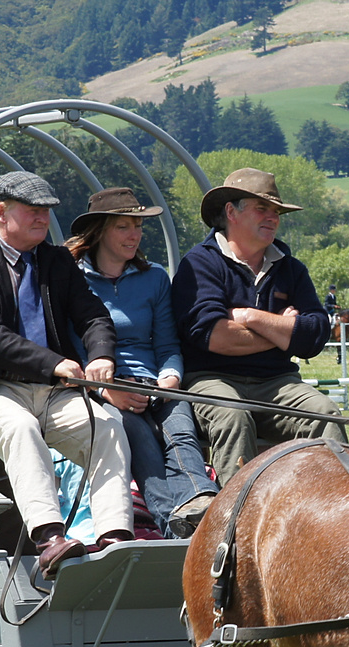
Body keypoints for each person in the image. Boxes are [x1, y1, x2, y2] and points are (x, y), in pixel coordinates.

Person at [0, 171, 132, 579]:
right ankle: (50, 540)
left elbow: (93, 315)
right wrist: (53, 363)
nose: (42, 219)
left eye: (46, 211)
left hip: (53, 390)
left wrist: (102, 357)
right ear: (0, 213)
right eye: (32, 211)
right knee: (21, 429)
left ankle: (115, 539)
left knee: (108, 426)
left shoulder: (57, 261)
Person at [171, 167, 342, 488]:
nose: (272, 217)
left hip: (279, 382)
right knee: (233, 416)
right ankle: (235, 521)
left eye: (276, 211)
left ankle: (330, 510)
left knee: (326, 413)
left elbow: (316, 335)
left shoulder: (291, 268)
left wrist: (250, 317)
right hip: (212, 379)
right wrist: (285, 332)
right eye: (262, 208)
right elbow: (215, 336)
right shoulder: (199, 263)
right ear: (230, 212)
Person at [67, 186, 219, 539]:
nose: (134, 235)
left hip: (152, 381)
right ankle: (173, 523)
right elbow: (74, 351)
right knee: (136, 435)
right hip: (104, 387)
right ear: (100, 230)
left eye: (138, 226)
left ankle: (201, 502)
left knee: (180, 427)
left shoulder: (153, 278)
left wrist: (169, 380)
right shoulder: (74, 280)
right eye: (124, 226)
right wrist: (108, 393)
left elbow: (167, 344)